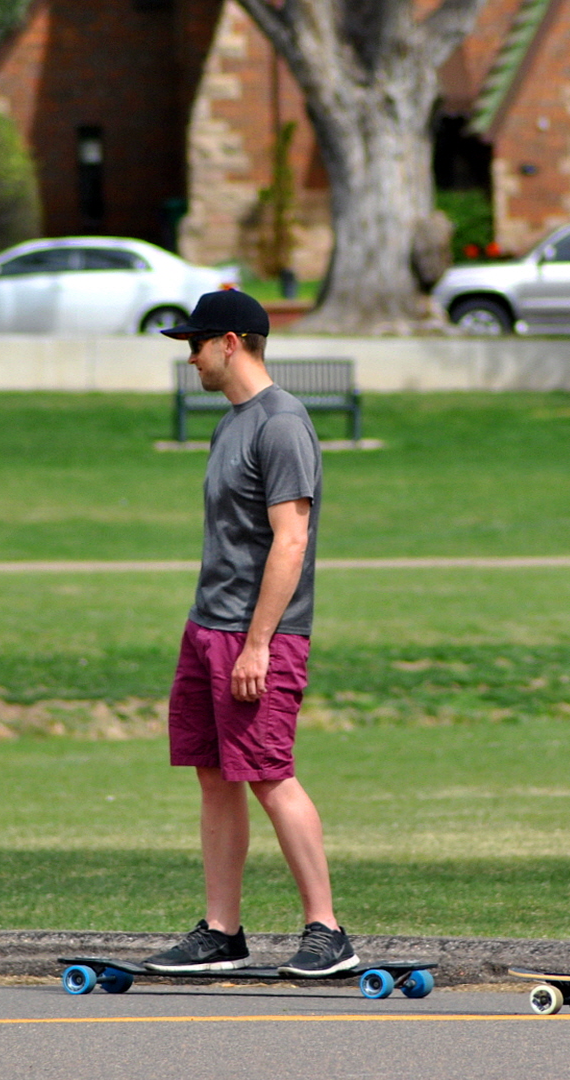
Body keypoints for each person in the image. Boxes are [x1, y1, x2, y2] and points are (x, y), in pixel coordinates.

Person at [141, 288, 358, 978]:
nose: (192, 357)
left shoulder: (282, 422)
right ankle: (221, 930)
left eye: (196, 344)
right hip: (208, 625)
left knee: (268, 773)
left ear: (230, 342)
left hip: (258, 634)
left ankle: (327, 929)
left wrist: (259, 641)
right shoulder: (230, 422)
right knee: (214, 774)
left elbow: (290, 540)